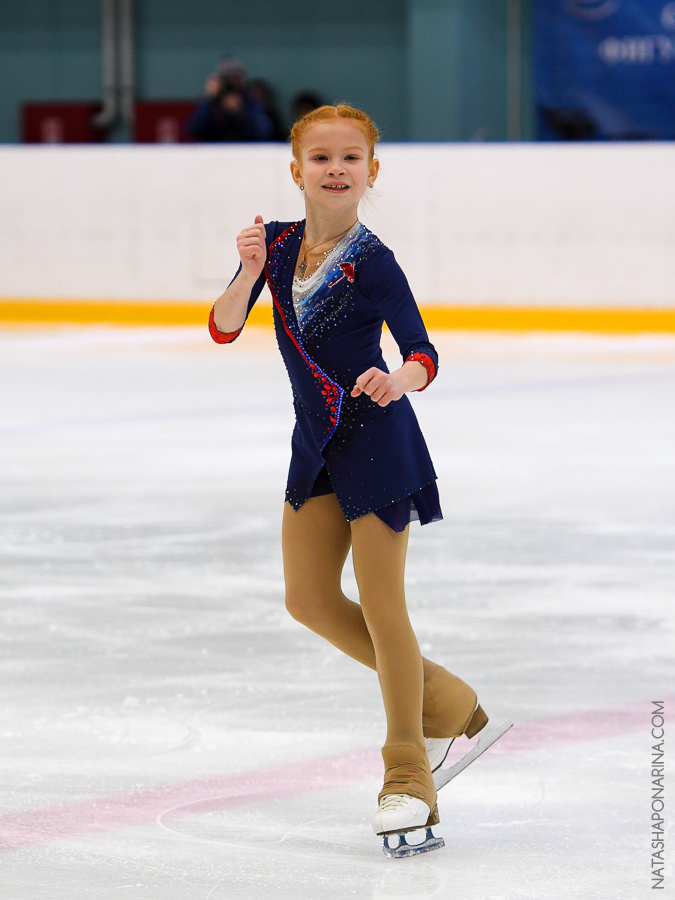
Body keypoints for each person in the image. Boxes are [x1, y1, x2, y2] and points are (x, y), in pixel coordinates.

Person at [209, 104, 488, 855]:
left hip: (379, 440)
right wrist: (243, 268)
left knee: (382, 606)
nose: (337, 169)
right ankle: (450, 699)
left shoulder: (374, 258)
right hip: (315, 446)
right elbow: (225, 325)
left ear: (371, 171)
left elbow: (422, 347)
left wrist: (402, 379)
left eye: (352, 158)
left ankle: (407, 775)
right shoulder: (275, 246)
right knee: (306, 599)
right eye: (322, 158)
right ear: (296, 170)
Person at [188, 55, 276, 142]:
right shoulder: (212, 102)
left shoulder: (251, 100)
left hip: (245, 151)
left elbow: (264, 132)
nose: (232, 82)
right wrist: (209, 99)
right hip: (215, 151)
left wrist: (240, 112)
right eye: (228, 78)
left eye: (236, 77)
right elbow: (194, 130)